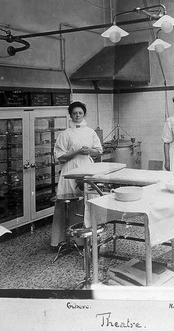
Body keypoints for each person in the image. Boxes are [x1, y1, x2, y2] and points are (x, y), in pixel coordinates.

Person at [51, 101, 103, 248]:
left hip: (87, 166)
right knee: (71, 202)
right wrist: (77, 152)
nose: (77, 115)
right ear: (70, 115)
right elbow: (60, 157)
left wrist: (89, 151)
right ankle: (67, 239)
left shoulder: (90, 132)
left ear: (84, 114)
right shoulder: (65, 134)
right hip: (70, 170)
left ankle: (89, 238)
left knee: (89, 199)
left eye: (80, 113)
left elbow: (99, 151)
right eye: (74, 113)